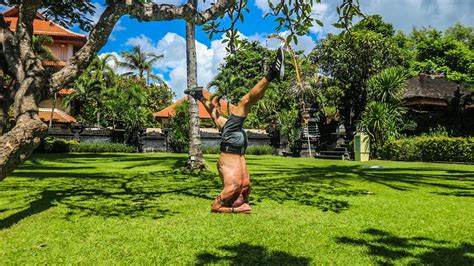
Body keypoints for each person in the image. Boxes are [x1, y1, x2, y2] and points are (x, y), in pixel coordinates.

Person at [185, 46, 285, 214]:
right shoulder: (241, 190)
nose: (245, 202)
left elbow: (215, 207)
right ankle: (199, 95)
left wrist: (232, 210)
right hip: (235, 145)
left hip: (231, 141)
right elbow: (244, 206)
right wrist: (238, 209)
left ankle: (272, 73)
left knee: (244, 102)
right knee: (220, 117)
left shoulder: (231, 189)